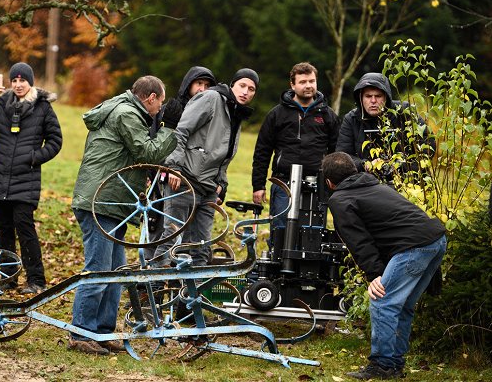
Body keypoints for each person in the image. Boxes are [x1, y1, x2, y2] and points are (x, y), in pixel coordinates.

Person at [69, 75, 181, 355]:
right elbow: (147, 151)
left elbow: (133, 157)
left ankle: (103, 332)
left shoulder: (126, 111)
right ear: (151, 98)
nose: (159, 109)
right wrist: (172, 130)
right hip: (100, 202)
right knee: (99, 270)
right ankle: (81, 332)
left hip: (115, 203)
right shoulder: (127, 113)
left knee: (117, 272)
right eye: (160, 102)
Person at [322, 152, 446, 380]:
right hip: (436, 240)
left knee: (382, 300)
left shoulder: (339, 199)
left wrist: (374, 275)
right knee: (404, 304)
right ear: (355, 171)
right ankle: (394, 363)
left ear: (329, 182)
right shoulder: (377, 186)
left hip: (414, 247)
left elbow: (358, 241)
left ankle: (383, 365)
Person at [153, 68, 258, 267]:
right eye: (242, 85)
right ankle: (151, 288)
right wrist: (173, 167)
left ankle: (192, 296)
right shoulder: (211, 98)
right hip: (184, 180)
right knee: (172, 238)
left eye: (251, 89)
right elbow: (181, 131)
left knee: (201, 247)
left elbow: (224, 155)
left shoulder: (236, 112)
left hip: (208, 187)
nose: (246, 91)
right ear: (232, 84)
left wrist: (221, 183)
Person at [0, 62, 63, 295]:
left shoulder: (43, 107)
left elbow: (55, 141)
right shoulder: (2, 102)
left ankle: (36, 280)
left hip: (26, 179)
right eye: (13, 81)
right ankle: (8, 278)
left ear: (30, 82)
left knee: (25, 229)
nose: (17, 85)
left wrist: (34, 157)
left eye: (21, 80)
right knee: (4, 231)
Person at [251, 62, 339, 233]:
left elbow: (337, 152)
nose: (308, 86)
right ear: (292, 84)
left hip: (317, 185)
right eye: (303, 82)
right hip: (283, 183)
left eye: (312, 81)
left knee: (313, 234)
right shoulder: (277, 114)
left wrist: (335, 183)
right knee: (280, 232)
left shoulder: (328, 115)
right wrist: (258, 185)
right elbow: (262, 151)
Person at [144, 66, 216, 261]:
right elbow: (156, 140)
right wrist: (154, 174)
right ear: (189, 84)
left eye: (207, 85)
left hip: (190, 180)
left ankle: (177, 284)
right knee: (158, 230)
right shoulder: (173, 108)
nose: (203, 89)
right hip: (163, 176)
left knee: (185, 236)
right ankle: (150, 282)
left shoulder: (209, 112)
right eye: (199, 83)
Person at [336, 72, 435, 181]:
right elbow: (342, 156)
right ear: (360, 98)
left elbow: (428, 145)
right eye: (368, 96)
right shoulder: (351, 119)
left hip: (408, 180)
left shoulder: (404, 112)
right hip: (366, 183)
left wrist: (400, 166)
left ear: (386, 97)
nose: (373, 101)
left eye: (378, 96)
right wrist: (365, 165)